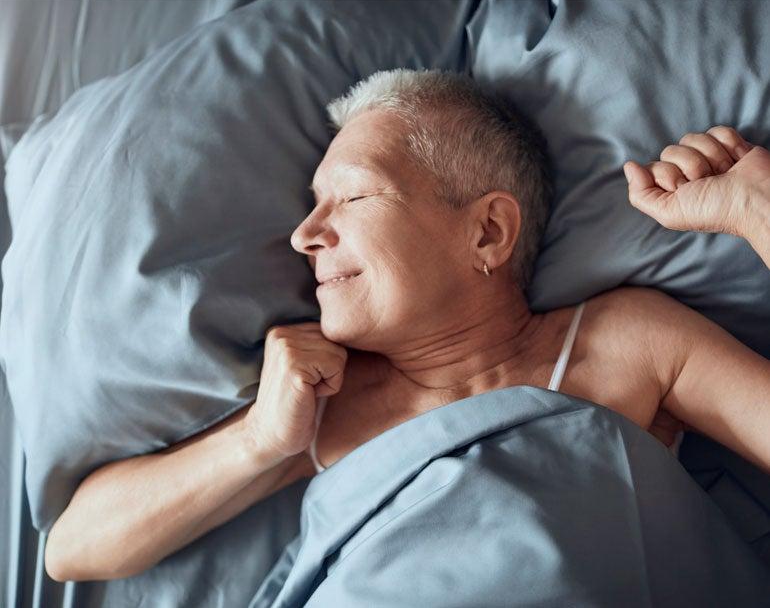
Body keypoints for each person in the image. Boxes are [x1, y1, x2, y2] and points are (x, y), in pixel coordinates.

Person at [44, 69, 770, 583]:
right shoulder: (325, 407)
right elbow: (73, 548)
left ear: (487, 231)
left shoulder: (628, 346)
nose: (305, 234)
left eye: (353, 196)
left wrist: (757, 216)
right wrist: (260, 440)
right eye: (312, 203)